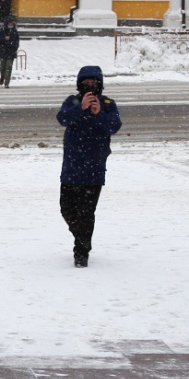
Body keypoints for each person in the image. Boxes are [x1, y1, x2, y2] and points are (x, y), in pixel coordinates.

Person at [56, 66, 122, 268]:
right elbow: (62, 118)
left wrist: (98, 113)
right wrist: (81, 108)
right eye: (86, 83)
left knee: (86, 212)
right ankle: (82, 237)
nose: (90, 86)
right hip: (72, 167)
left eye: (94, 83)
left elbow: (114, 126)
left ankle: (81, 251)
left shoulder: (108, 104)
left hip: (94, 168)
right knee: (67, 209)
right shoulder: (72, 101)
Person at [0, 15, 20, 88]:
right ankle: (2, 77)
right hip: (3, 51)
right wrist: (4, 39)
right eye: (10, 23)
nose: (11, 25)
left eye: (12, 23)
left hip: (11, 52)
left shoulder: (14, 32)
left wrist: (14, 47)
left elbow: (16, 42)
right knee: (2, 67)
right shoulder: (1, 31)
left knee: (9, 67)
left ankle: (7, 82)